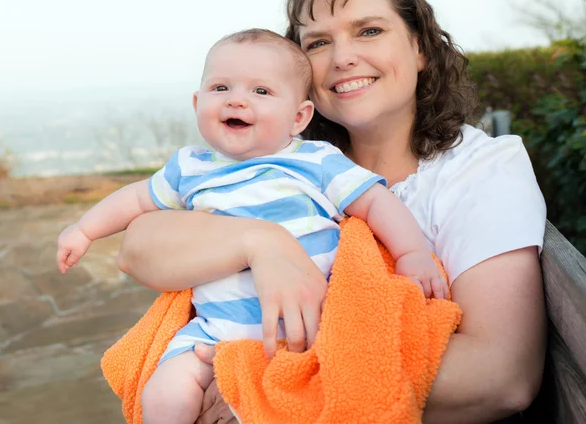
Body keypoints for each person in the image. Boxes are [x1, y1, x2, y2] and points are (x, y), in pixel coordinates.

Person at [115, 0, 547, 424]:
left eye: (369, 31)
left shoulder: (479, 168)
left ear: (420, 48)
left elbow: (501, 377)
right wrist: (260, 242)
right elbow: (136, 248)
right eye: (319, 42)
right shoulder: (283, 162)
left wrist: (259, 385)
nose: (342, 58)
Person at [57, 28, 448, 424]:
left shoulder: (312, 160)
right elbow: (136, 199)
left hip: (310, 325)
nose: (237, 99)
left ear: (299, 117)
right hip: (214, 331)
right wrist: (85, 230)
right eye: (221, 87)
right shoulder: (191, 167)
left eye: (261, 92)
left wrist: (411, 253)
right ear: (198, 103)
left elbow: (376, 201)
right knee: (162, 393)